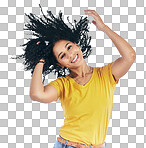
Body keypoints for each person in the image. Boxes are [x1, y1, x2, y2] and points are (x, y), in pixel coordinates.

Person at [11, 4, 136, 148]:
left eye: (69, 47)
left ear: (77, 45)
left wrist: (104, 28)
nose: (70, 55)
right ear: (61, 64)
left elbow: (130, 56)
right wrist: (40, 59)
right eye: (62, 55)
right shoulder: (63, 84)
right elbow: (37, 94)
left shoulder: (105, 75)